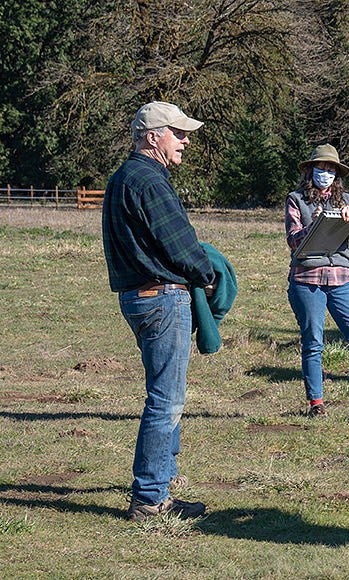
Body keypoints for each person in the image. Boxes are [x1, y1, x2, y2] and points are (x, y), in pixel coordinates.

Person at [102, 101, 214, 521]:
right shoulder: (150, 181)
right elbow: (180, 243)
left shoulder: (121, 178)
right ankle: (150, 498)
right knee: (166, 401)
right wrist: (209, 275)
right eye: (178, 133)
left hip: (137, 297)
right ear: (153, 137)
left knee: (162, 395)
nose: (185, 140)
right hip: (161, 297)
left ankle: (163, 480)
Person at [285, 144, 349, 417]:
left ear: (338, 174)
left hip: (341, 278)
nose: (326, 173)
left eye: (331, 169)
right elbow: (293, 238)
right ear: (311, 170)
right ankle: (316, 405)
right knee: (313, 341)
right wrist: (319, 223)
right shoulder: (295, 199)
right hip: (306, 278)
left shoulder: (345, 198)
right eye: (321, 168)